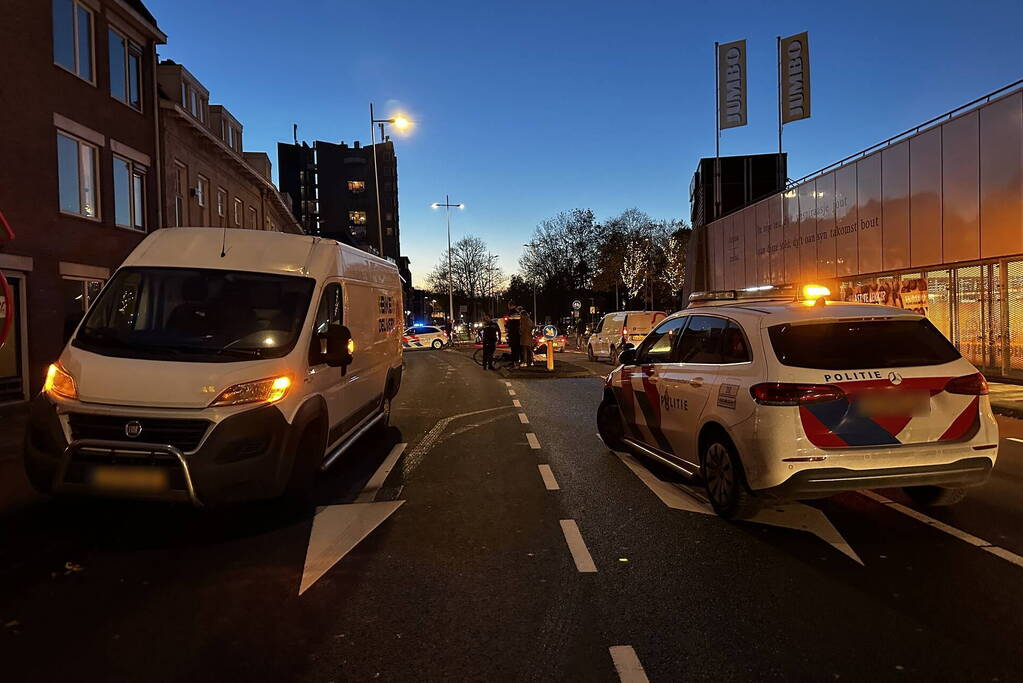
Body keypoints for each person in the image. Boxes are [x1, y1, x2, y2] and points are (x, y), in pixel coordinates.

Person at [506, 301, 521, 366]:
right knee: (517, 348)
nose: (508, 307)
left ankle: (514, 362)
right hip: (517, 333)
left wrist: (507, 327)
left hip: (513, 333)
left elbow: (511, 324)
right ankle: (516, 361)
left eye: (508, 305)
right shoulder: (518, 313)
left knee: (514, 348)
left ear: (511, 305)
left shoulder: (511, 312)